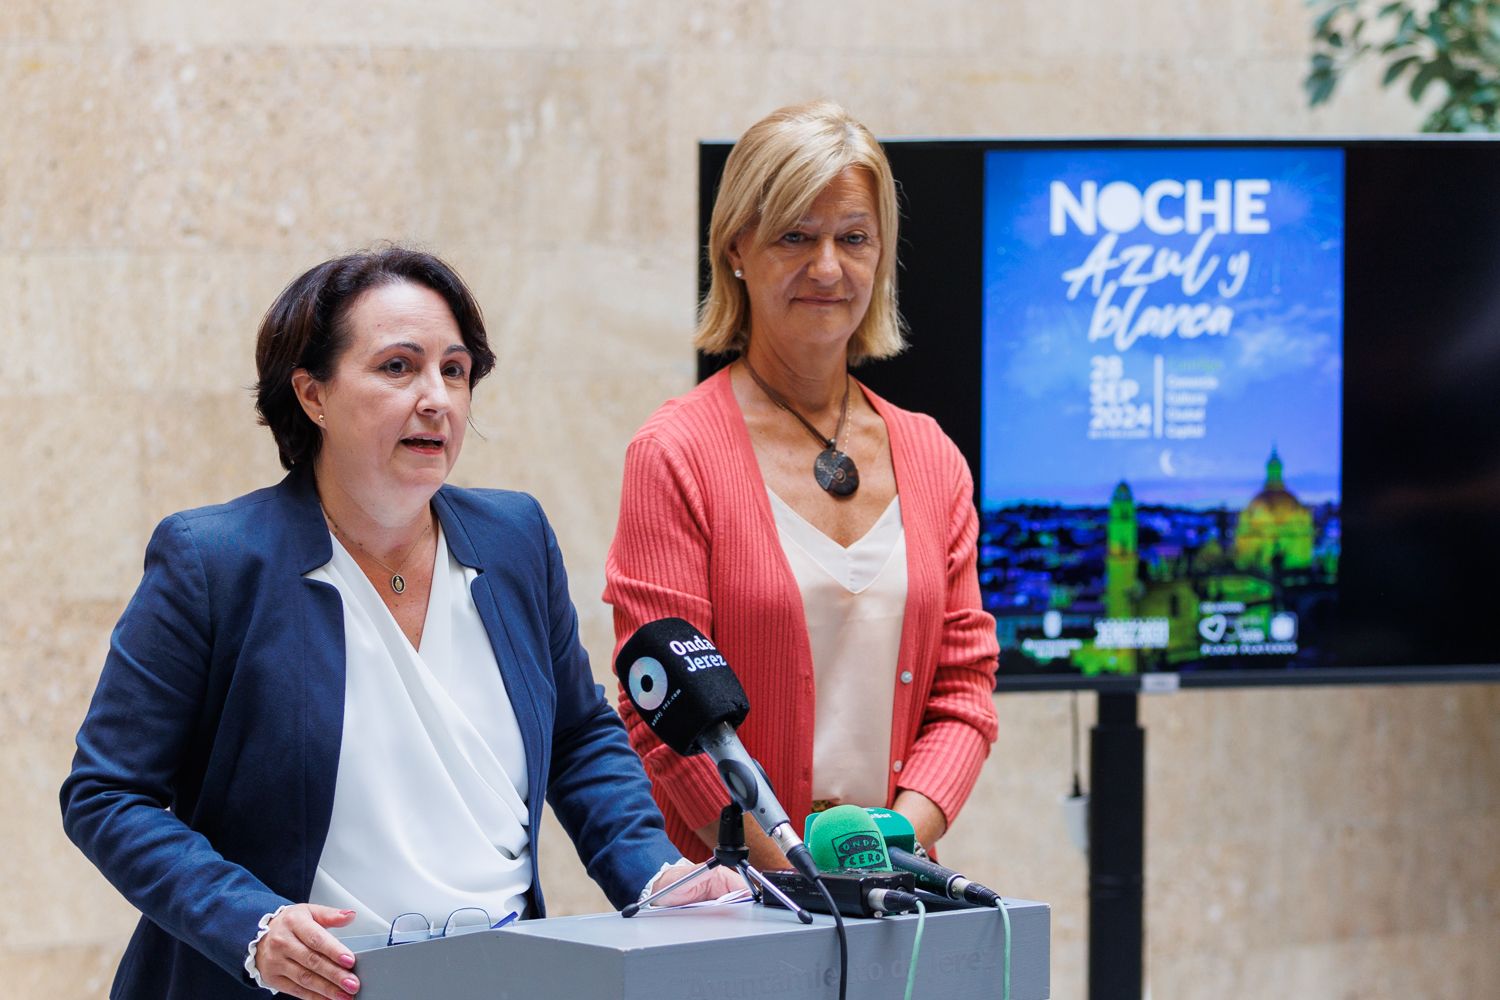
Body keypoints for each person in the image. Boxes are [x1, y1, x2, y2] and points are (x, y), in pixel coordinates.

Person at [61, 247, 738, 1000]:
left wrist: (652, 872)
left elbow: (579, 742)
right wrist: (250, 924)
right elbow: (107, 795)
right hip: (302, 985)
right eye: (397, 368)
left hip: (496, 975)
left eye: (454, 370)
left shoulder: (514, 540)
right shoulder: (214, 564)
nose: (437, 399)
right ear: (312, 394)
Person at [604, 101, 1000, 871]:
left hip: (893, 898)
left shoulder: (933, 457)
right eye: (795, 236)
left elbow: (964, 691)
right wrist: (800, 877)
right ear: (736, 250)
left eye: (853, 238)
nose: (828, 267)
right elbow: (661, 714)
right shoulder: (674, 453)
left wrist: (887, 850)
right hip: (729, 910)